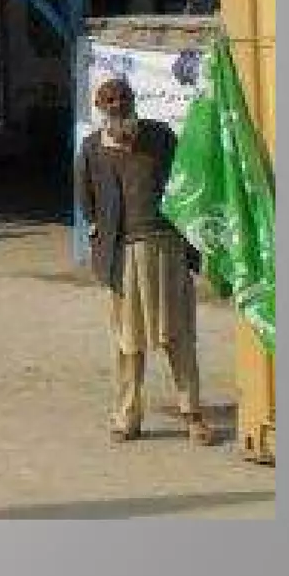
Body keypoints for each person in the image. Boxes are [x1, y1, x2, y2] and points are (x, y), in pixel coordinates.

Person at [75, 75, 217, 447]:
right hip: (122, 255)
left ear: (134, 105)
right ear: (101, 113)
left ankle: (193, 415)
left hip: (166, 247)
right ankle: (127, 418)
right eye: (110, 109)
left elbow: (185, 185)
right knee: (128, 341)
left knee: (178, 335)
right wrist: (100, 236)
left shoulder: (161, 137)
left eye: (123, 105)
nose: (118, 115)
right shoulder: (92, 149)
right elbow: (86, 200)